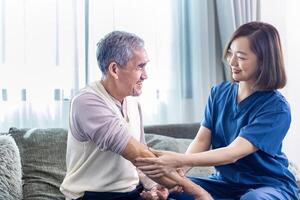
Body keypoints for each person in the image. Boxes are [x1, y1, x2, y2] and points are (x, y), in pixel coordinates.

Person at [136, 21, 299, 200]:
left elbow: (233, 153)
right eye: (230, 53)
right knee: (175, 192)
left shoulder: (277, 109)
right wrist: (177, 177)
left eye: (242, 57)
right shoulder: (219, 93)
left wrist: (178, 159)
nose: (232, 62)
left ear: (263, 61)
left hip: (268, 186)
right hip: (224, 184)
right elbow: (201, 140)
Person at [60, 30, 212, 200]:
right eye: (140, 67)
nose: (145, 76)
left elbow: (141, 159)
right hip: (92, 195)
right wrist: (198, 192)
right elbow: (138, 155)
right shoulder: (87, 102)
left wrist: (154, 186)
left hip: (131, 192)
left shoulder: (132, 102)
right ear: (114, 69)